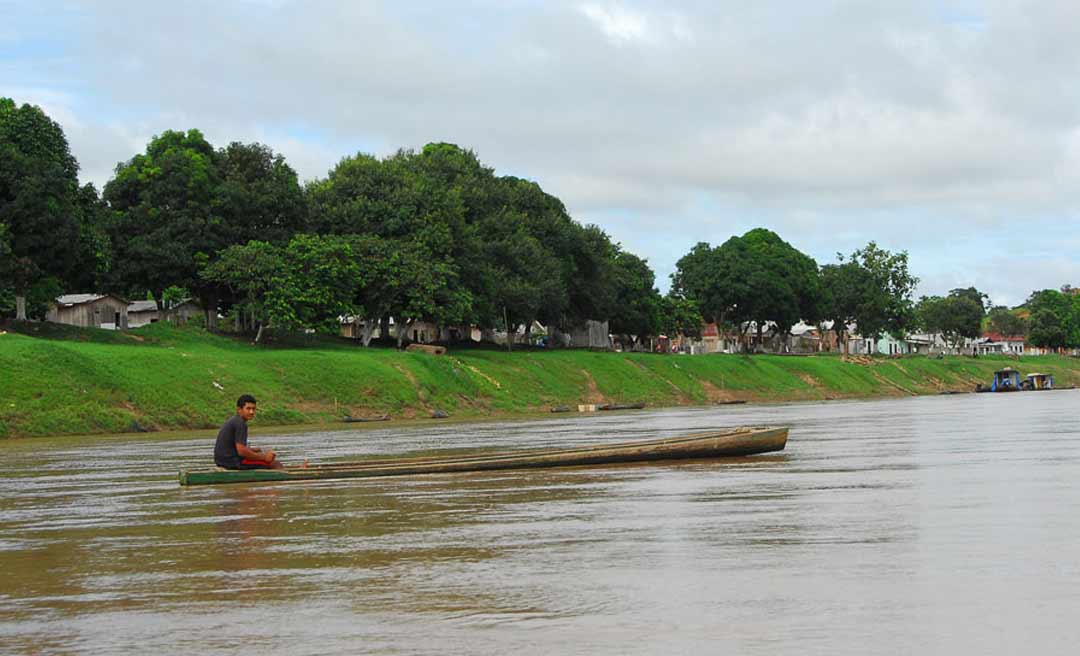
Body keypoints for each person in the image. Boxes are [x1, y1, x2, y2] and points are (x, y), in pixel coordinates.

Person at [214, 394, 283, 469]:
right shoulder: (240, 423)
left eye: (253, 409)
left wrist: (251, 451)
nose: (251, 412)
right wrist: (264, 457)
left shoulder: (234, 420)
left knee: (259, 456)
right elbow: (241, 451)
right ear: (239, 409)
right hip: (233, 462)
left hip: (223, 461)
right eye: (248, 408)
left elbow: (235, 449)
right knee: (275, 464)